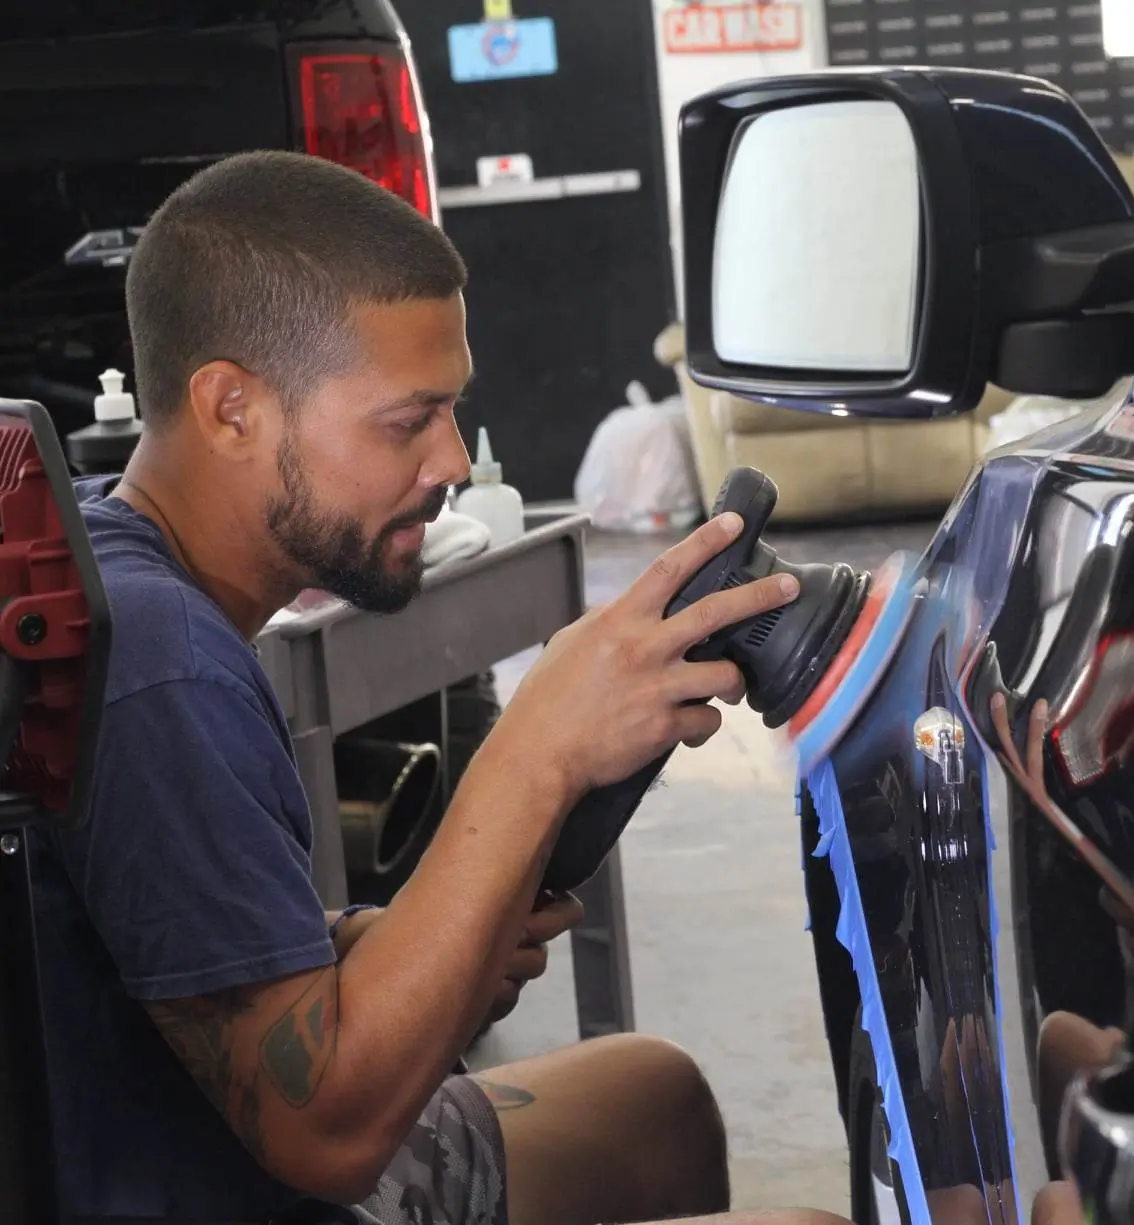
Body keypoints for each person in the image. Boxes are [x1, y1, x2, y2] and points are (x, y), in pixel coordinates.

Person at [28, 149, 849, 1225]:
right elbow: (324, 1133)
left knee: (653, 1098)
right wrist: (538, 748)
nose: (452, 458)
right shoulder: (161, 663)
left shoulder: (114, 555)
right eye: (406, 422)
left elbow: (154, 943)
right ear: (232, 409)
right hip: (228, 1182)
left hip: (189, 1131)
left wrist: (380, 942)